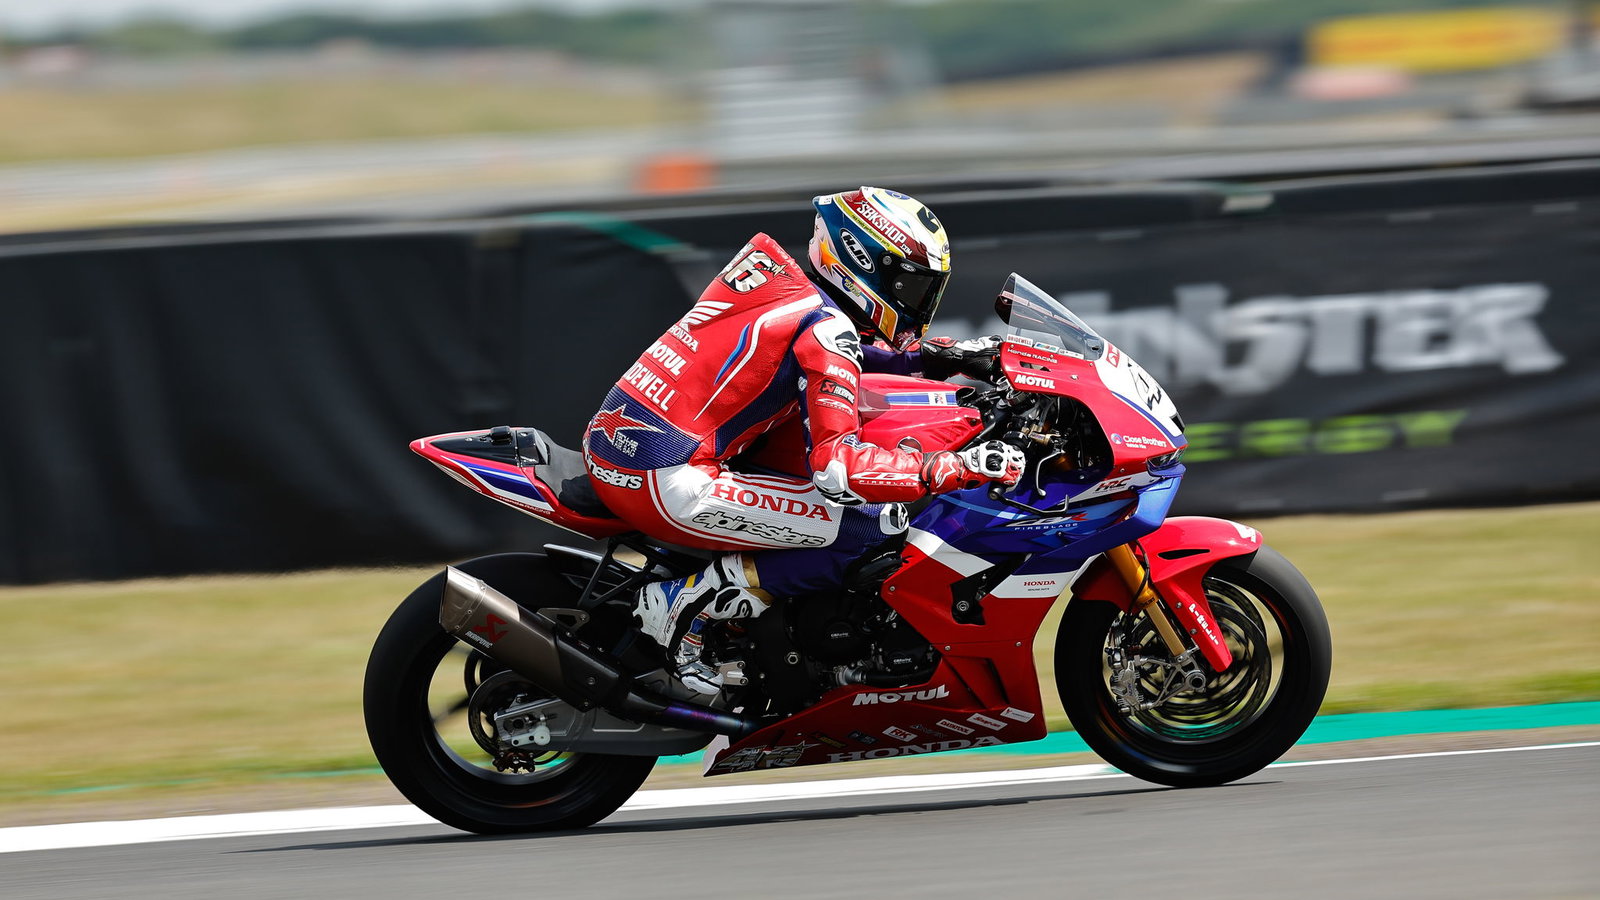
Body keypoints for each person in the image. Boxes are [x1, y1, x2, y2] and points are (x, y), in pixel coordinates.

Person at [582, 186, 1024, 695]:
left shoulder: (785, 288)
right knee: (871, 526)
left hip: (629, 446)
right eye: (908, 285)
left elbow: (818, 351)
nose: (917, 301)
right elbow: (838, 471)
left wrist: (938, 359)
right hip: (668, 475)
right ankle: (683, 606)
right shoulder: (826, 325)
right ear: (861, 262)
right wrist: (957, 466)